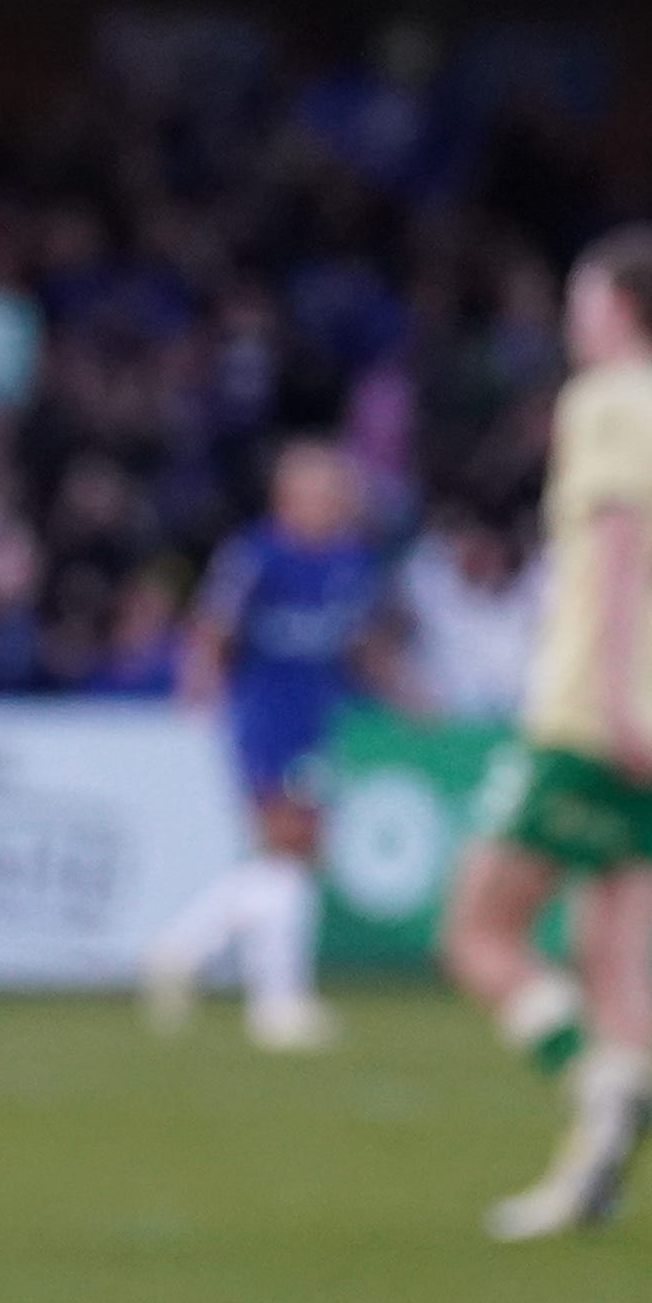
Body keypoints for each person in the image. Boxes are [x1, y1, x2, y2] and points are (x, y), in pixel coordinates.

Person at [437, 230, 652, 1242]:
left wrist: (614, 704)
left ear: (621, 309)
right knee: (618, 948)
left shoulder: (612, 405)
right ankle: (590, 1178)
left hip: (595, 712)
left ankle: (598, 1084)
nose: (574, 321)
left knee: (480, 932)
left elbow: (618, 558)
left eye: (584, 299)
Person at [135, 433, 391, 1051]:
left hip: (316, 717)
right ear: (287, 497)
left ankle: (181, 952)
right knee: (287, 847)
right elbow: (213, 629)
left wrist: (404, 695)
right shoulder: (257, 555)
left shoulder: (351, 561)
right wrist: (200, 695)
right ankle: (276, 1004)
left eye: (335, 491)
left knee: (292, 857)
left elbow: (362, 641)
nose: (331, 502)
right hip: (263, 718)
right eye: (318, 491)